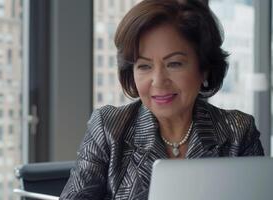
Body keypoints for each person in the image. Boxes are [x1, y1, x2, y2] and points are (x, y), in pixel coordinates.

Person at [60, 0, 264, 199]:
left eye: (174, 64)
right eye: (144, 66)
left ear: (204, 69)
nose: (158, 81)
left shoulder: (238, 132)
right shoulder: (109, 128)